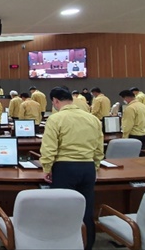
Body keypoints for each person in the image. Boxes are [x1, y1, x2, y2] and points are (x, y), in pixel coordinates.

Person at [39, 87, 103, 250]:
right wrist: (95, 166)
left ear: (55, 101)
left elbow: (49, 147)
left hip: (65, 167)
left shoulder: (56, 119)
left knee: (63, 209)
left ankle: (63, 244)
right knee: (86, 209)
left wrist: (47, 168)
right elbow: (98, 148)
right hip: (88, 167)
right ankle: (87, 244)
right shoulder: (92, 119)